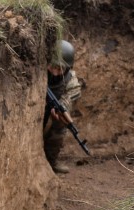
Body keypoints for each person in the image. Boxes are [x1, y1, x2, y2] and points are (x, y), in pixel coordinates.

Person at [44, 39, 82, 175]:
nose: (54, 72)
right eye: (53, 66)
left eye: (59, 68)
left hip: (52, 113)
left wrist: (60, 107)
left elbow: (71, 96)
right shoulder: (39, 72)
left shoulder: (71, 81)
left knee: (60, 125)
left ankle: (50, 162)